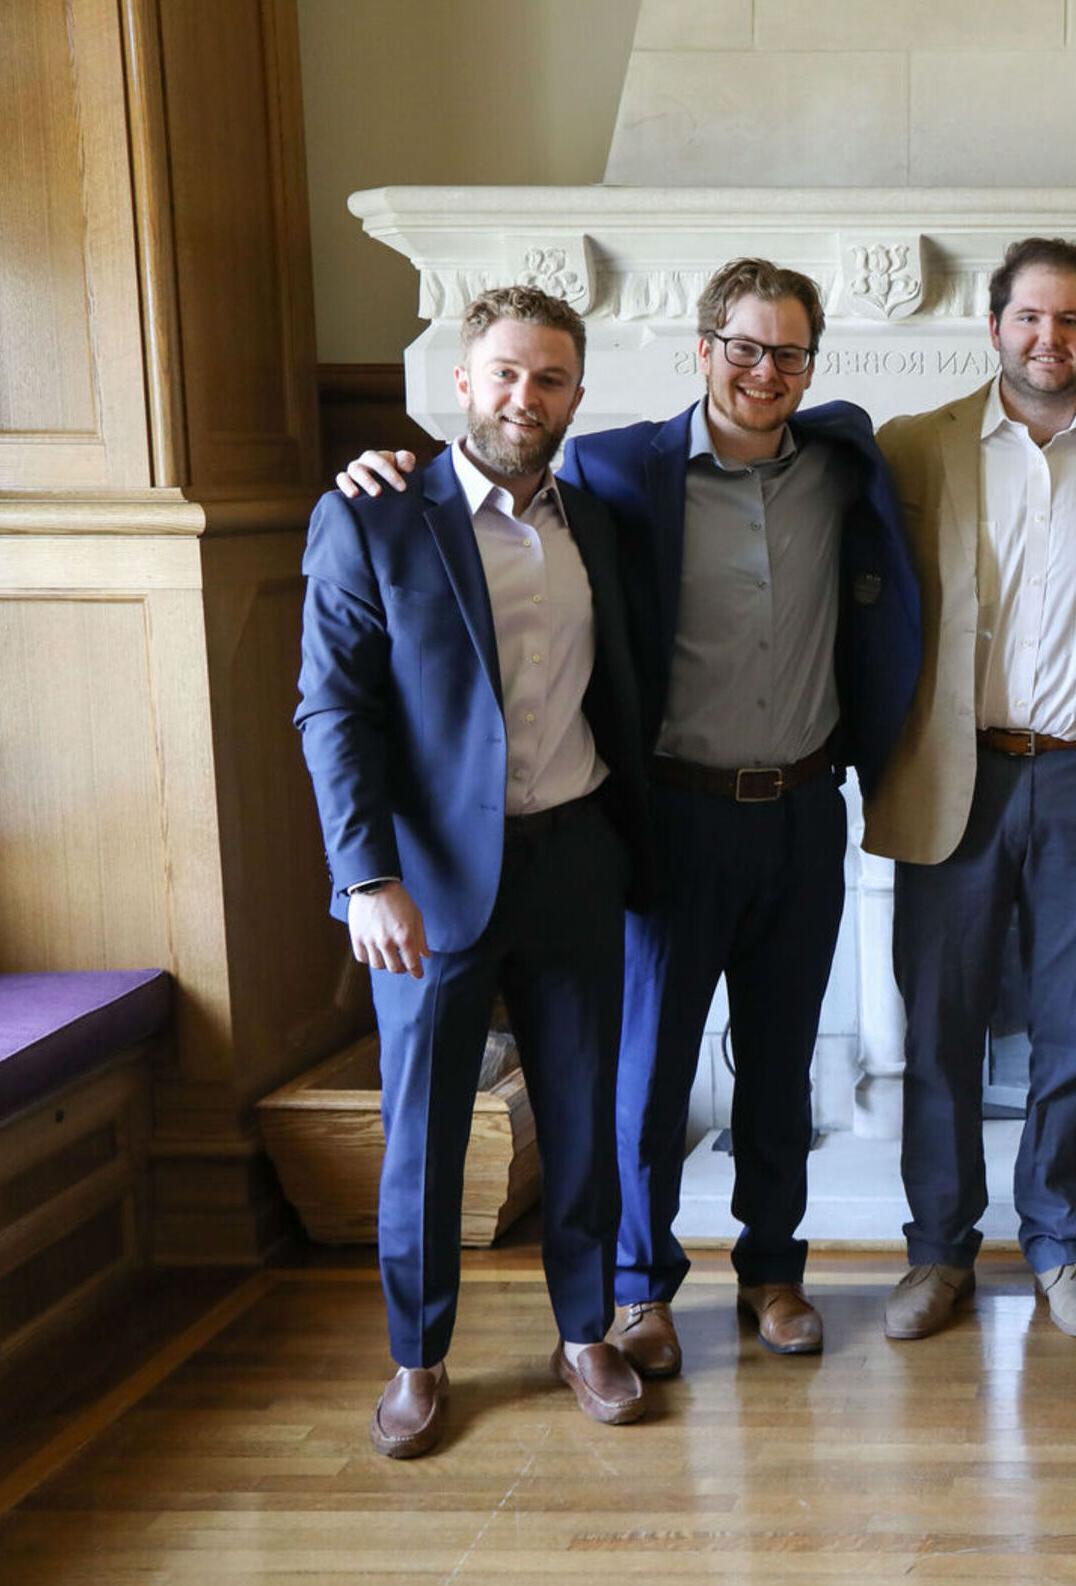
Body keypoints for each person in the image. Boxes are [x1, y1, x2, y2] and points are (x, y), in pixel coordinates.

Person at [332, 258, 921, 1376]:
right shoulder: (614, 471)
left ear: (811, 367)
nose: (764, 369)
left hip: (801, 812)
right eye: (743, 346)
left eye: (788, 351)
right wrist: (378, 458)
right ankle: (640, 1290)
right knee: (644, 1076)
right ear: (702, 350)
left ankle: (773, 1270)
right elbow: (453, 511)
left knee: (782, 1062)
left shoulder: (847, 461)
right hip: (670, 815)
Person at [297, 285, 654, 1456]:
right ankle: (419, 1354)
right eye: (505, 372)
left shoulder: (597, 515)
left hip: (577, 856)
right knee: (425, 1129)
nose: (525, 395)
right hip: (433, 881)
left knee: (584, 1115)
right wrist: (365, 875)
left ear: (577, 395)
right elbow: (333, 709)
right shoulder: (377, 515)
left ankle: (586, 1329)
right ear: (462, 381)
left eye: (550, 378)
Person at [865, 237, 1076, 1340]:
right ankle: (937, 1250)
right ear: (994, 325)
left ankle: (1061, 1240)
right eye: (1028, 318)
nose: (1048, 339)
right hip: (958, 776)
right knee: (944, 1027)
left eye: (1071, 320)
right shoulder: (915, 447)